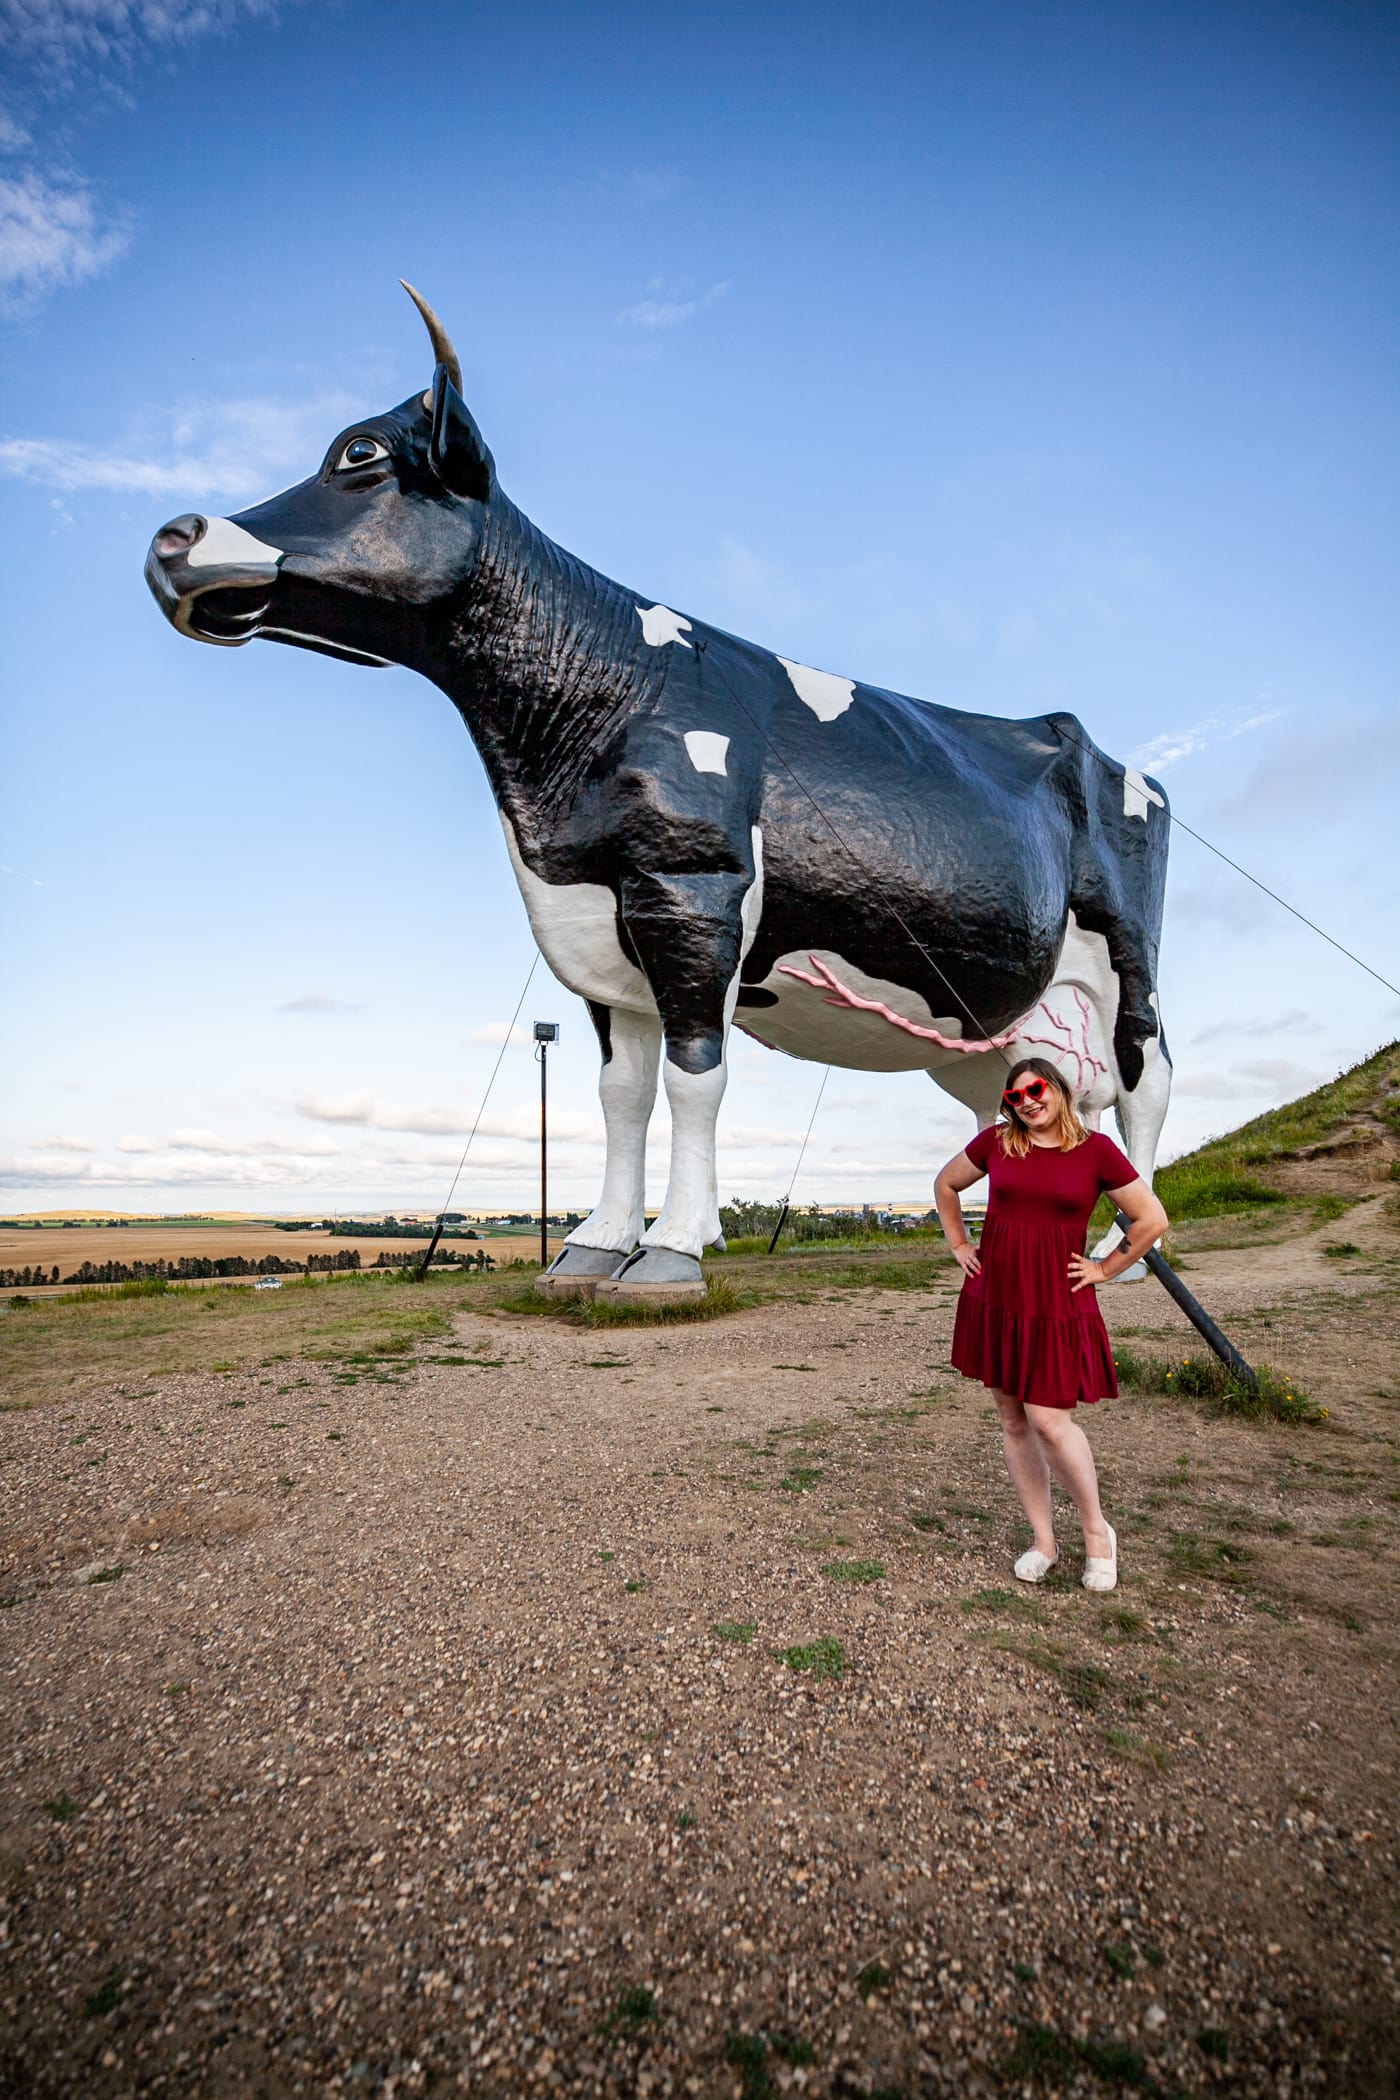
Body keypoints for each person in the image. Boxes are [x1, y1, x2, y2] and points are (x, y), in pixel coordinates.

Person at [933, 1057, 1169, 1593]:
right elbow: (946, 1186)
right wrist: (960, 1244)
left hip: (1057, 1302)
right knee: (1013, 1420)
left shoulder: (1096, 1151)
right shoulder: (998, 1143)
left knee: (1050, 1422)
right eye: (1015, 1097)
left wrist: (1105, 1268)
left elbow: (1152, 1219)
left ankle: (1096, 1532)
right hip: (996, 1296)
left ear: (1057, 1090)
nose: (1027, 1102)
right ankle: (1043, 1541)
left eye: (1035, 1090)